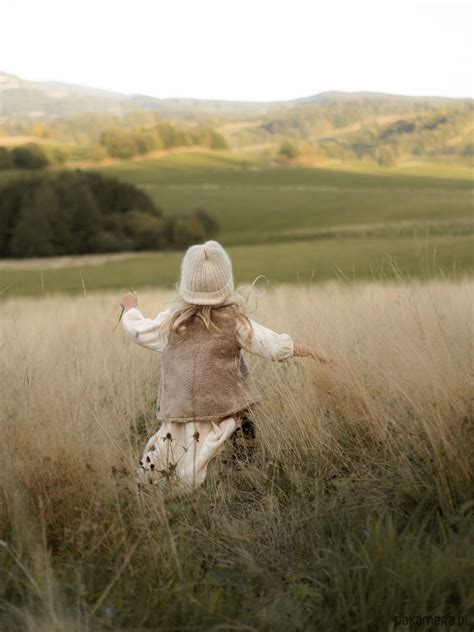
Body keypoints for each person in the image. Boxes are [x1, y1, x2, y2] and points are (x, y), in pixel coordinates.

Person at [121, 240, 332, 491]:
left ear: (186, 284)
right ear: (226, 284)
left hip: (179, 410)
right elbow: (273, 346)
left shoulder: (173, 322)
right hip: (224, 409)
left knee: (168, 461)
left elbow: (138, 331)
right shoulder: (235, 322)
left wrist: (131, 308)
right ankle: (239, 474)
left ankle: (188, 489)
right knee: (241, 424)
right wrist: (314, 353)